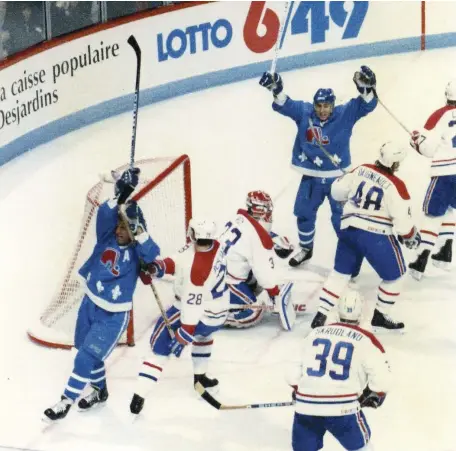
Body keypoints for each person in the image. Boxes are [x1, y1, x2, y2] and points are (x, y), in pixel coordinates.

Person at [43, 167, 160, 421]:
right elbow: (105, 215)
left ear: (135, 230)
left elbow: (153, 255)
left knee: (86, 356)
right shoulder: (105, 239)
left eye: (124, 228)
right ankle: (99, 390)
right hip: (89, 305)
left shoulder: (138, 252)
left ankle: (66, 400)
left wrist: (140, 233)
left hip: (113, 316)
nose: (118, 231)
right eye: (118, 226)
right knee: (84, 350)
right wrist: (121, 195)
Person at [259, 66, 378, 268]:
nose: (322, 110)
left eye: (326, 106)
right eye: (319, 105)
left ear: (333, 105)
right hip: (311, 177)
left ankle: (350, 259)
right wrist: (276, 89)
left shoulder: (344, 113)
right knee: (304, 212)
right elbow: (285, 104)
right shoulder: (305, 113)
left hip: (337, 179)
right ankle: (306, 249)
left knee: (342, 219)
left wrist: (367, 88)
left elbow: (366, 105)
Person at [310, 142, 420, 331]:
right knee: (397, 276)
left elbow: (336, 193)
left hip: (349, 230)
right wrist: (411, 235)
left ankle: (321, 314)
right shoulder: (397, 186)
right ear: (395, 164)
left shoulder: (361, 170)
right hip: (375, 236)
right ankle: (380, 314)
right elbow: (403, 226)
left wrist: (343, 183)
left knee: (340, 274)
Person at [129, 218, 230, 415]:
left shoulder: (197, 271)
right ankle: (200, 378)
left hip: (198, 313)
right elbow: (179, 260)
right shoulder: (216, 247)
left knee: (159, 346)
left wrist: (186, 332)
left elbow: (192, 303)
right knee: (204, 337)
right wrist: (157, 268)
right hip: (218, 313)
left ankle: (139, 395)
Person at [288, 290, 391, 451]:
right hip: (343, 409)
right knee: (362, 448)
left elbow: (291, 375)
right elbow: (383, 380)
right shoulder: (366, 339)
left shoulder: (313, 334)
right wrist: (372, 395)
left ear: (337, 311)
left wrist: (299, 391)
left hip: (306, 407)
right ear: (361, 313)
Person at [221, 190, 295, 329]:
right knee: (255, 310)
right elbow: (264, 274)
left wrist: (272, 237)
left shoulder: (238, 218)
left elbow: (249, 234)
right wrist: (275, 294)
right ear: (261, 211)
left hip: (217, 271)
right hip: (226, 281)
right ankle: (216, 316)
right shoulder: (258, 240)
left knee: (254, 284)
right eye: (267, 210)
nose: (269, 215)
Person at [408, 79, 456, 280]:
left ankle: (421, 258)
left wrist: (416, 141)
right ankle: (445, 252)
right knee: (452, 209)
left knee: (432, 215)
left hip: (445, 172)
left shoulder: (440, 115)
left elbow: (428, 147)